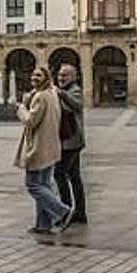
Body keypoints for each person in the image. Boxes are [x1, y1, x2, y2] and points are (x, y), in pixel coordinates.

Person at [15, 67, 72, 234]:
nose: (34, 77)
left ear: (47, 77)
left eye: (39, 75)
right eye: (33, 74)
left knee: (33, 185)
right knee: (44, 185)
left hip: (39, 147)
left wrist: (21, 108)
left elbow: (31, 121)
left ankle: (63, 211)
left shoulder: (41, 97)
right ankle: (43, 225)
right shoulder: (52, 93)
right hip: (51, 146)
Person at [54, 63, 87, 225]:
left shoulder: (74, 90)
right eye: (60, 75)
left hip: (71, 142)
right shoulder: (65, 91)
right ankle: (80, 213)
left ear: (73, 77)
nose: (61, 78)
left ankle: (65, 211)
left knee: (59, 175)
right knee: (74, 177)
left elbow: (77, 104)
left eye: (65, 75)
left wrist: (60, 93)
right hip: (69, 142)